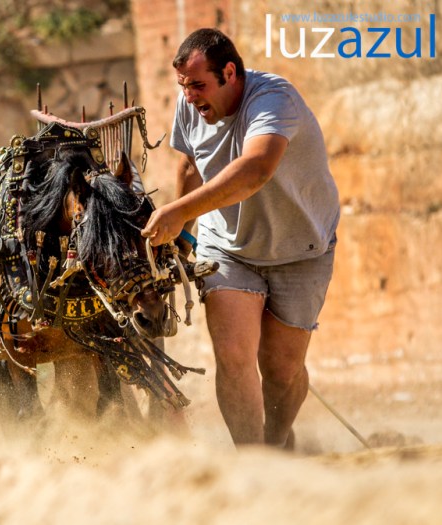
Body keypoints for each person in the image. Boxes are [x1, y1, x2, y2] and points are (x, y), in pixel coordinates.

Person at [141, 28, 340, 448]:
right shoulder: (190, 104)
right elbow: (191, 165)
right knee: (233, 359)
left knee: (282, 371)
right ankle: (254, 464)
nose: (190, 96)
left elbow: (256, 169)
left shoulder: (274, 100)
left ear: (230, 73)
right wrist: (184, 237)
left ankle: (277, 441)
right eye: (183, 86)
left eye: (198, 85)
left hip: (301, 248)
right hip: (227, 247)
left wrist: (179, 212)